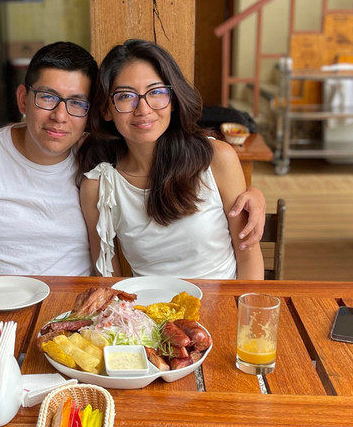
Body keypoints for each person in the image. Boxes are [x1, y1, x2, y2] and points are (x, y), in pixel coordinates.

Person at [0, 41, 265, 275]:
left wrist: (254, 194)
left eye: (76, 103)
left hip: (78, 316)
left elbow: (246, 251)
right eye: (47, 98)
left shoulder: (97, 163)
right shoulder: (95, 175)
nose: (60, 116)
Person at [77, 39, 264, 280]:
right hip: (148, 304)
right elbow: (109, 279)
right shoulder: (100, 186)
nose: (143, 109)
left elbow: (248, 256)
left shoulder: (216, 158)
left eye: (156, 92)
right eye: (126, 96)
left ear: (173, 100)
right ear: (106, 109)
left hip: (223, 301)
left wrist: (244, 307)